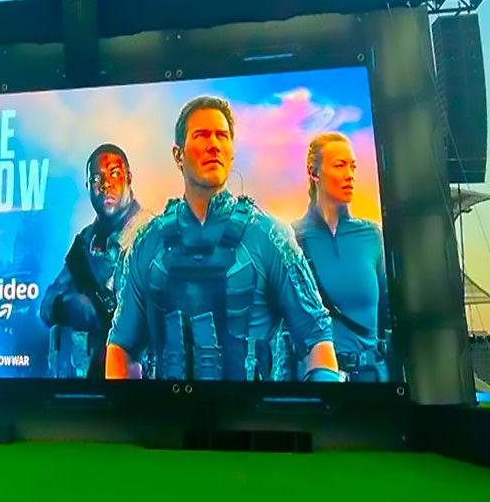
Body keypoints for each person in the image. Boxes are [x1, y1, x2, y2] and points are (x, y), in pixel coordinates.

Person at [106, 96, 340, 382]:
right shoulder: (147, 242)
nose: (214, 145)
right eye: (202, 135)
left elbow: (317, 338)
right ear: (178, 155)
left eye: (222, 136)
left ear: (231, 153)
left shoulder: (269, 237)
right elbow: (121, 348)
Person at [40, 144, 150, 378]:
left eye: (114, 174)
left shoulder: (152, 235)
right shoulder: (85, 244)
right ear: (88, 186)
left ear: (129, 178)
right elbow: (46, 306)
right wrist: (67, 306)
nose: (106, 184)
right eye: (96, 179)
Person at [292, 132, 390, 382]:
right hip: (319, 381)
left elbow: (389, 314)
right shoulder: (291, 240)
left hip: (371, 379)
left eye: (352, 167)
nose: (349, 175)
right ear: (314, 173)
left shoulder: (372, 236)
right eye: (340, 165)